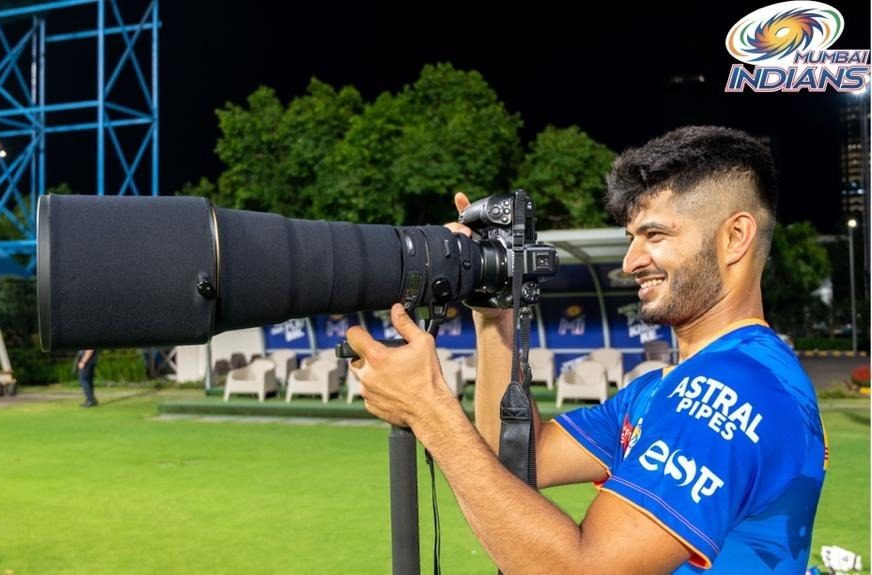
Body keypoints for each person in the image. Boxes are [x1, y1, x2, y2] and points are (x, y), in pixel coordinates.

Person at [346, 126, 827, 573]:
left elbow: (584, 567)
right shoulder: (665, 388)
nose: (631, 261)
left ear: (735, 237)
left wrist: (430, 412)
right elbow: (521, 454)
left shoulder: (734, 385)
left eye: (655, 235)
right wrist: (494, 312)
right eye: (631, 238)